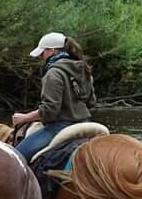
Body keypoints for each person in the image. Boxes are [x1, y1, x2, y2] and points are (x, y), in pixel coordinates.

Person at [11, 31, 94, 165]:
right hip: (85, 124)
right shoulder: (84, 70)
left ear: (52, 50)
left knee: (14, 158)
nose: (41, 58)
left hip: (59, 128)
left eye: (42, 53)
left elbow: (50, 111)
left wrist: (24, 118)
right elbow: (91, 101)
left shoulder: (53, 73)